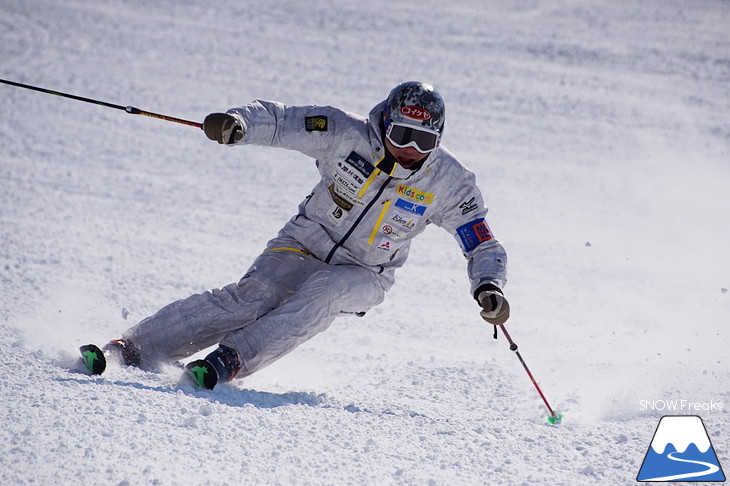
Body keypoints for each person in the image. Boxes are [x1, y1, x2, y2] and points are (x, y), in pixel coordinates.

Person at [104, 81, 510, 389]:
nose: (409, 149)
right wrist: (239, 124)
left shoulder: (449, 182)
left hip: (366, 273)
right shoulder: (343, 133)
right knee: (252, 298)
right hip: (302, 242)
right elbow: (281, 121)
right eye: (402, 134)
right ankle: (136, 347)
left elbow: (481, 241)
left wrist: (488, 284)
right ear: (384, 122)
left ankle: (231, 360)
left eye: (423, 140)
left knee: (326, 292)